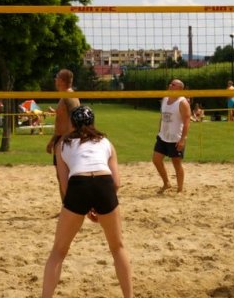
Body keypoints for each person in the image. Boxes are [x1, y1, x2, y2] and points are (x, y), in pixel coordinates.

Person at [42, 106, 132, 298]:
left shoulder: (63, 145)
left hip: (78, 184)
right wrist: (99, 205)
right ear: (93, 123)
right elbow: (116, 182)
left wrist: (81, 205)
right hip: (104, 184)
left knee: (58, 251)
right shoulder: (106, 142)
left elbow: (65, 187)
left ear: (72, 124)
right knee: (117, 248)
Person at [46, 69, 81, 198]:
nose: (55, 80)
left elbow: (76, 120)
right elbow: (64, 120)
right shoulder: (66, 96)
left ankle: (69, 208)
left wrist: (65, 139)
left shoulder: (69, 97)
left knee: (64, 177)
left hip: (67, 141)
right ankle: (67, 207)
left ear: (61, 80)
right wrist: (52, 140)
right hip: (62, 139)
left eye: (57, 77)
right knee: (62, 177)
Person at [153, 79, 191, 194]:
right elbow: (163, 117)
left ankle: (179, 189)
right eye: (170, 83)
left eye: (173, 84)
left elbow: (187, 122)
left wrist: (182, 139)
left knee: (176, 163)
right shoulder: (165, 99)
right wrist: (160, 131)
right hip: (163, 136)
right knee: (156, 160)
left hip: (176, 137)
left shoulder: (182, 102)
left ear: (180, 88)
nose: (170, 85)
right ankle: (166, 183)